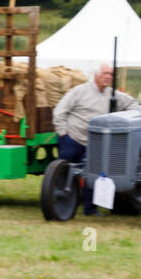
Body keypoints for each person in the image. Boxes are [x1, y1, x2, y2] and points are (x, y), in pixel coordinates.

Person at [53, 62, 139, 215]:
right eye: (105, 73)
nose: (108, 77)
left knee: (93, 176)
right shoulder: (79, 91)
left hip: (95, 144)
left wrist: (133, 115)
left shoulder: (112, 94)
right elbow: (60, 111)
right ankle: (60, 201)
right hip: (73, 138)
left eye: (110, 74)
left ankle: (90, 209)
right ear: (96, 75)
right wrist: (62, 132)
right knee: (65, 171)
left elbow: (132, 104)